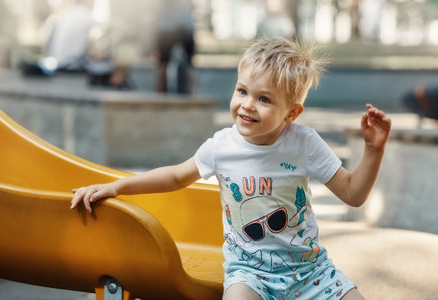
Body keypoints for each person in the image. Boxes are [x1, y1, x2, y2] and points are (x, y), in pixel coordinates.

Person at [71, 38, 391, 300]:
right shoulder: (222, 146)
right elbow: (175, 176)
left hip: (310, 272)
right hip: (249, 274)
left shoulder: (304, 143)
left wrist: (373, 150)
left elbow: (353, 193)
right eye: (242, 91)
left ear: (291, 113)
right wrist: (117, 186)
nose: (247, 104)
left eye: (264, 99)